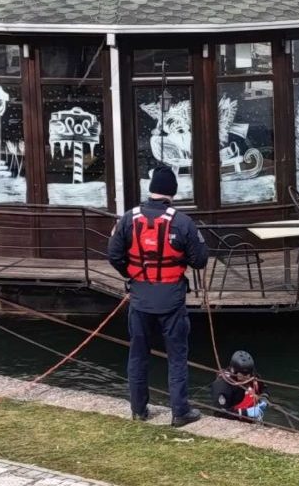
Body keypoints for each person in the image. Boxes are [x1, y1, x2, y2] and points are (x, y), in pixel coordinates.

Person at [108, 167, 210, 427]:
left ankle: (138, 410)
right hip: (172, 300)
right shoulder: (183, 222)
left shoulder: (128, 219)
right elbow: (200, 260)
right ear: (172, 193)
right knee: (177, 356)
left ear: (151, 189)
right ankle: (180, 412)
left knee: (138, 355)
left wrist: (132, 274)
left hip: (140, 297)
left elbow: (114, 255)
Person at [209, 350, 269, 422]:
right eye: (242, 374)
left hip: (252, 418)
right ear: (233, 371)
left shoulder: (252, 376)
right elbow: (219, 413)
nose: (246, 377)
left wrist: (264, 398)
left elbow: (264, 388)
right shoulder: (222, 386)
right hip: (232, 422)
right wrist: (245, 413)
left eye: (248, 374)